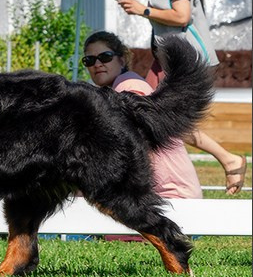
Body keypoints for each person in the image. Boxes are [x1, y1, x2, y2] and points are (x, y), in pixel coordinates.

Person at [117, 0, 247, 195]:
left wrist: (142, 10)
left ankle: (227, 160)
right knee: (154, 119)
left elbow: (181, 15)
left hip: (179, 63)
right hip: (165, 60)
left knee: (162, 119)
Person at [82, 31, 202, 201]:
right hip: (163, 193)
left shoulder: (129, 86)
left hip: (171, 194)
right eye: (90, 60)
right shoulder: (118, 90)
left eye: (105, 56)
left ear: (122, 59)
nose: (97, 64)